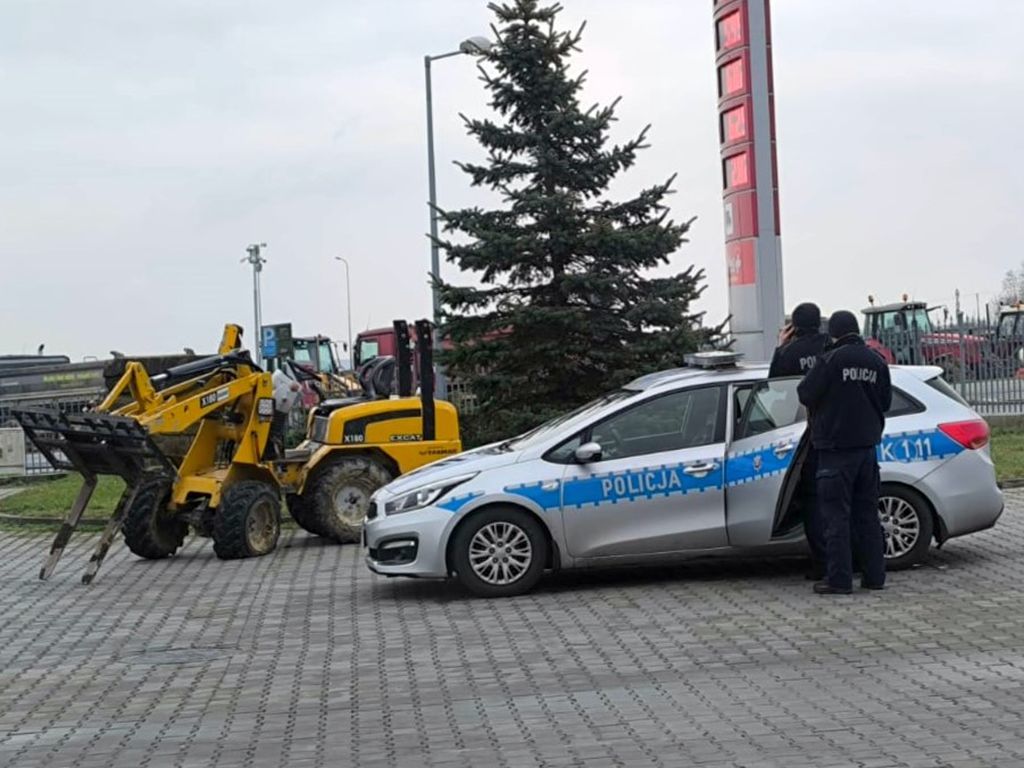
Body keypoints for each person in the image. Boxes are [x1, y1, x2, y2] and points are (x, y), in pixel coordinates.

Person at [797, 310, 892, 595]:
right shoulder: (877, 361)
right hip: (867, 450)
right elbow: (885, 402)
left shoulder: (830, 360)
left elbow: (805, 393)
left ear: (834, 333)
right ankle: (875, 577)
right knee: (867, 516)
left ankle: (839, 579)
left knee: (835, 517)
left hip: (835, 451)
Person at [768, 303, 829, 579]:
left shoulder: (790, 353)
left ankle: (822, 563)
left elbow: (773, 385)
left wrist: (780, 346)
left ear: (794, 326)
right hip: (836, 432)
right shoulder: (831, 346)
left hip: (801, 434)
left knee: (813, 503)